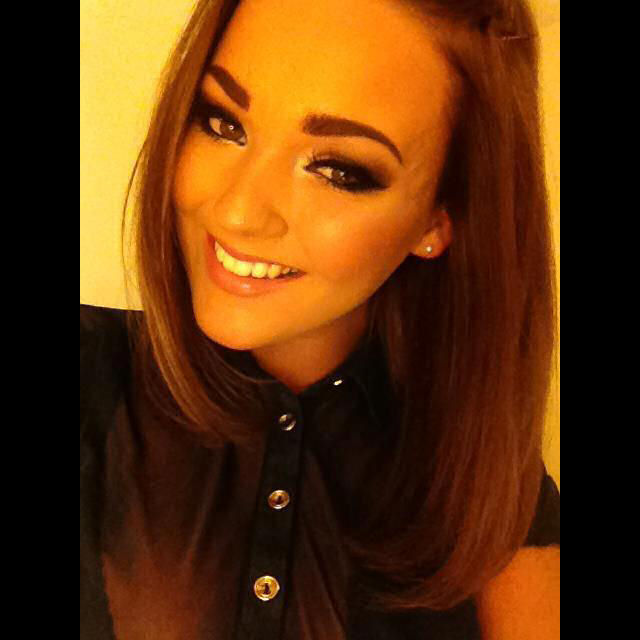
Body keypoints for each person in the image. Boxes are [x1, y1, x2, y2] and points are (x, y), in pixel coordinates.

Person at [80, 0, 560, 638]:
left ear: (438, 219)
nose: (238, 212)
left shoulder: (484, 486)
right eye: (223, 123)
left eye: (337, 170)